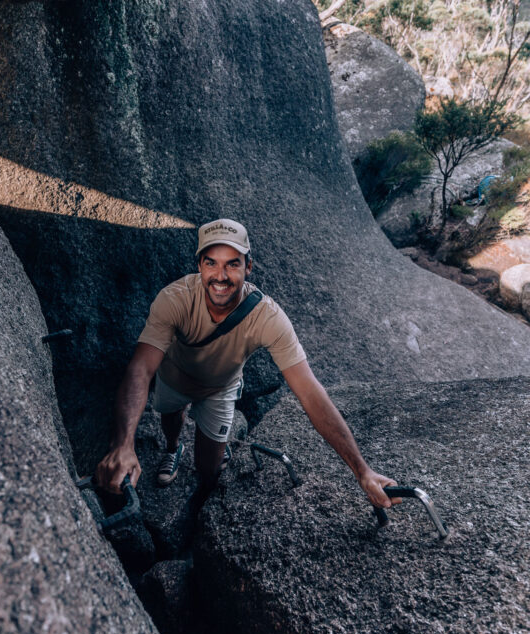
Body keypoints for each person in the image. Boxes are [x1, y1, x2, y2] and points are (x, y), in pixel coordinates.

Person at [96, 218, 398, 510]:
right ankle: (173, 449)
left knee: (208, 468)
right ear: (199, 265)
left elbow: (308, 390)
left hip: (220, 388)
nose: (221, 275)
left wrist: (362, 471)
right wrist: (123, 445)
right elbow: (141, 367)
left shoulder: (267, 318)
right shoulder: (174, 299)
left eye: (233, 263)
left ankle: (217, 449)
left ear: (248, 267)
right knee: (170, 421)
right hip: (174, 376)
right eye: (211, 262)